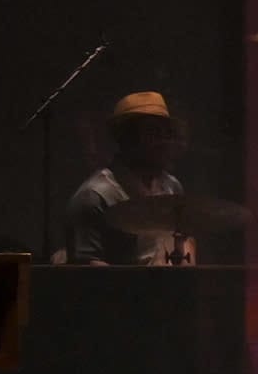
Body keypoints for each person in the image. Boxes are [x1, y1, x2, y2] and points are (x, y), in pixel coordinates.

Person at [64, 91, 191, 265]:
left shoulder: (172, 186)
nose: (164, 142)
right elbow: (88, 276)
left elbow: (183, 244)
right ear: (127, 139)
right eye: (152, 133)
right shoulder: (94, 196)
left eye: (167, 133)